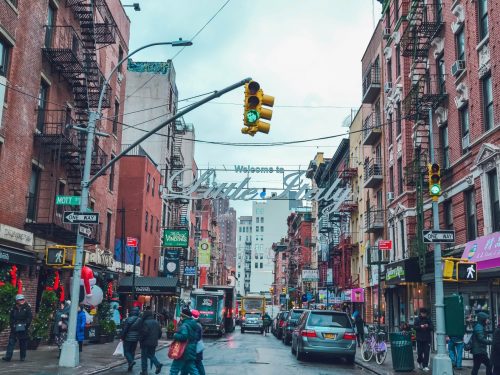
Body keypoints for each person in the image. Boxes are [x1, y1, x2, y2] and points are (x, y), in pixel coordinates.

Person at [2, 294, 32, 362]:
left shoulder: (27, 308)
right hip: (15, 328)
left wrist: (25, 325)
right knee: (11, 342)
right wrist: (12, 325)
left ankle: (22, 357)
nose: (22, 301)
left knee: (23, 343)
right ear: (17, 301)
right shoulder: (14, 308)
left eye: (23, 299)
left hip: (23, 328)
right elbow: (11, 318)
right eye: (20, 299)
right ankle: (8, 357)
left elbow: (29, 318)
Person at [169, 307, 200, 375]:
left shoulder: (184, 325)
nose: (180, 317)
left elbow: (184, 337)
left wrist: (175, 335)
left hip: (183, 350)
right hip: (191, 348)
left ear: (183, 316)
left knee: (174, 369)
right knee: (192, 369)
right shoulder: (193, 324)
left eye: (181, 316)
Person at [138, 310, 162, 375]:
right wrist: (156, 338)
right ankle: (157, 364)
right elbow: (160, 333)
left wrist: (140, 339)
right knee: (151, 355)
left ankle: (144, 371)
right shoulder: (156, 322)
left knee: (144, 357)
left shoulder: (145, 322)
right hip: (154, 342)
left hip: (145, 343)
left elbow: (144, 333)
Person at [182, 309, 205, 375]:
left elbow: (196, 337)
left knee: (196, 364)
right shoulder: (197, 324)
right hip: (196, 348)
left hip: (195, 348)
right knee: (196, 364)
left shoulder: (196, 325)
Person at [121, 306, 142, 372]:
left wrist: (122, 337)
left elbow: (125, 329)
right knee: (132, 352)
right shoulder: (139, 320)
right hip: (135, 338)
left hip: (128, 338)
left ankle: (131, 361)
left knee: (126, 351)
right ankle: (130, 365)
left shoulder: (128, 319)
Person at [414, 308, 433, 372]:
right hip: (419, 339)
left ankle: (425, 366)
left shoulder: (428, 319)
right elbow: (414, 327)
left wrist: (427, 326)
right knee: (420, 353)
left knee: (426, 353)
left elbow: (432, 327)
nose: (424, 314)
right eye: (422, 313)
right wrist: (420, 327)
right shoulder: (417, 319)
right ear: (420, 313)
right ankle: (419, 361)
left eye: (425, 313)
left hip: (427, 339)